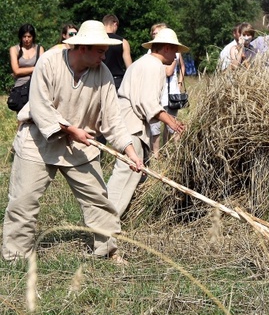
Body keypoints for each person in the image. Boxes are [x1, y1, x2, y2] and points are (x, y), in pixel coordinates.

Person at [2, 20, 143, 263]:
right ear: (82, 48)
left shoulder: (104, 74)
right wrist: (69, 129)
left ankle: (108, 252)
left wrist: (130, 152)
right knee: (23, 202)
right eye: (100, 50)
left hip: (79, 145)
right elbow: (40, 106)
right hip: (37, 141)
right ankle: (15, 257)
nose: (104, 55)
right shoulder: (49, 63)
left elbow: (113, 120)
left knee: (98, 201)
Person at [107, 28, 188, 217]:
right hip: (131, 124)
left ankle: (116, 217)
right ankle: (106, 221)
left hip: (129, 121)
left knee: (134, 172)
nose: (176, 55)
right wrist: (172, 123)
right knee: (126, 173)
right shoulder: (154, 66)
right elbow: (149, 103)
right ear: (167, 48)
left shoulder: (142, 63)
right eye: (175, 50)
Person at [147, 23, 187, 157]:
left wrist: (180, 82)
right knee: (156, 127)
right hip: (159, 94)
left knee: (172, 126)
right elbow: (169, 71)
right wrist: (174, 59)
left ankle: (171, 153)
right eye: (154, 33)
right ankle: (156, 155)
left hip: (172, 93)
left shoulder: (174, 52)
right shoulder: (152, 54)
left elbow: (182, 67)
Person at [8, 24, 44, 112]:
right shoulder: (14, 49)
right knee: (21, 118)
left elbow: (43, 68)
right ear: (21, 37)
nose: (27, 39)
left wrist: (24, 70)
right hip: (20, 88)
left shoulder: (39, 49)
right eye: (24, 36)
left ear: (33, 37)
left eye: (29, 36)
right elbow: (16, 71)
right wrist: (35, 68)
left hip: (36, 86)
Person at [102, 14, 133, 90]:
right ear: (115, 24)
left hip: (99, 79)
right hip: (116, 81)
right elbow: (129, 67)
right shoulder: (123, 42)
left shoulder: (96, 40)